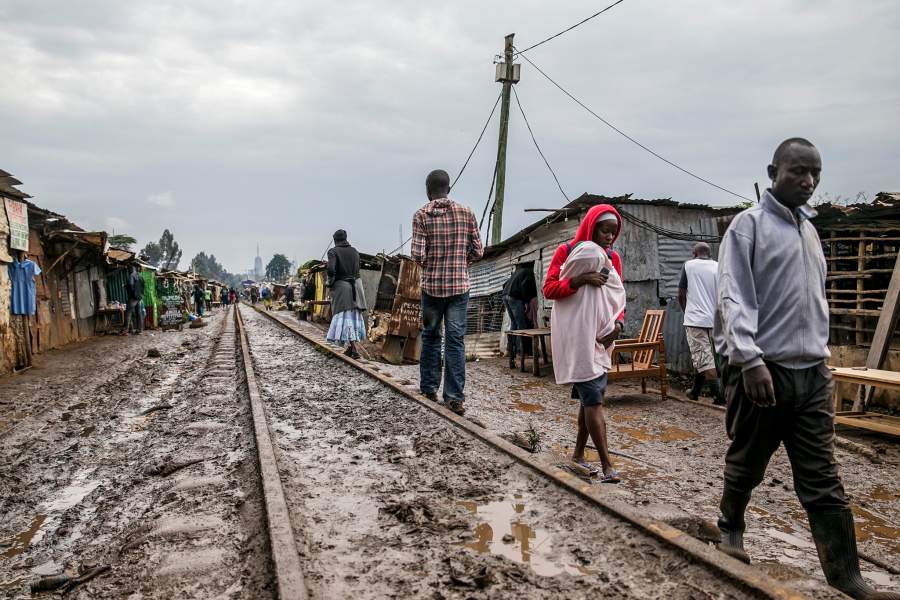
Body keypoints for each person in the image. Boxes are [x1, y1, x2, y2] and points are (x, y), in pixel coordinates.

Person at [714, 139, 898, 600]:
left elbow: (813, 301)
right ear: (773, 170)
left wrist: (824, 362)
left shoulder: (810, 231)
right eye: (798, 171)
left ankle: (846, 576)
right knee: (749, 459)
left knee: (822, 476)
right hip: (764, 369)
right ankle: (731, 528)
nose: (809, 181)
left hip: (813, 373)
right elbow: (733, 296)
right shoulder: (747, 227)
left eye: (815, 173)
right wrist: (749, 359)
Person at [544, 205, 625, 482]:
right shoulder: (566, 253)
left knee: (590, 399)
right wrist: (579, 280)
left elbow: (617, 295)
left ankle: (578, 454)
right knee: (593, 400)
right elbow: (549, 289)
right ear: (591, 227)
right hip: (577, 338)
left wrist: (618, 325)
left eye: (614, 233)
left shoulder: (612, 257)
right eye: (605, 231)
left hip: (602, 338)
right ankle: (607, 464)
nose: (609, 237)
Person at [411, 169, 483, 415]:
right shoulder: (467, 212)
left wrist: (434, 265)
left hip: (432, 289)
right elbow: (478, 250)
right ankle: (454, 398)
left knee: (431, 337)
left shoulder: (421, 215)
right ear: (448, 189)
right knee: (455, 341)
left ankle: (429, 388)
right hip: (459, 289)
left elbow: (418, 255)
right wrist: (461, 263)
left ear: (428, 191)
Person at [678, 242, 724, 405]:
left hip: (695, 320)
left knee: (704, 358)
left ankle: (720, 396)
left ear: (694, 253)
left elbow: (681, 293)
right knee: (707, 357)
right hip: (716, 320)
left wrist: (687, 312)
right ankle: (694, 392)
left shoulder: (689, 265)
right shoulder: (718, 266)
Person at [325, 229, 367, 359]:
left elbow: (331, 269)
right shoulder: (355, 251)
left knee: (346, 317)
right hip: (356, 286)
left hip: (343, 288)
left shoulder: (333, 251)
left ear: (335, 240)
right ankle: (350, 348)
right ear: (345, 238)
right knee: (353, 317)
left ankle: (354, 349)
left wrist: (330, 282)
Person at [503, 264, 537, 368]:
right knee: (521, 325)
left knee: (514, 323)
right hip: (514, 297)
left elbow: (504, 284)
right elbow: (524, 286)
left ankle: (511, 350)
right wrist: (526, 302)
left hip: (505, 296)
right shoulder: (529, 273)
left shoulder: (518, 272)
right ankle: (520, 351)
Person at [122, 266, 145, 335]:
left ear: (131, 269)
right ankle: (140, 330)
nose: (128, 270)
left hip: (133, 297)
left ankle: (125, 330)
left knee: (128, 313)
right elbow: (143, 286)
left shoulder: (131, 276)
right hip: (139, 297)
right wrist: (140, 295)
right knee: (139, 313)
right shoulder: (140, 276)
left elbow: (131, 285)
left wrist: (127, 288)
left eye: (129, 269)